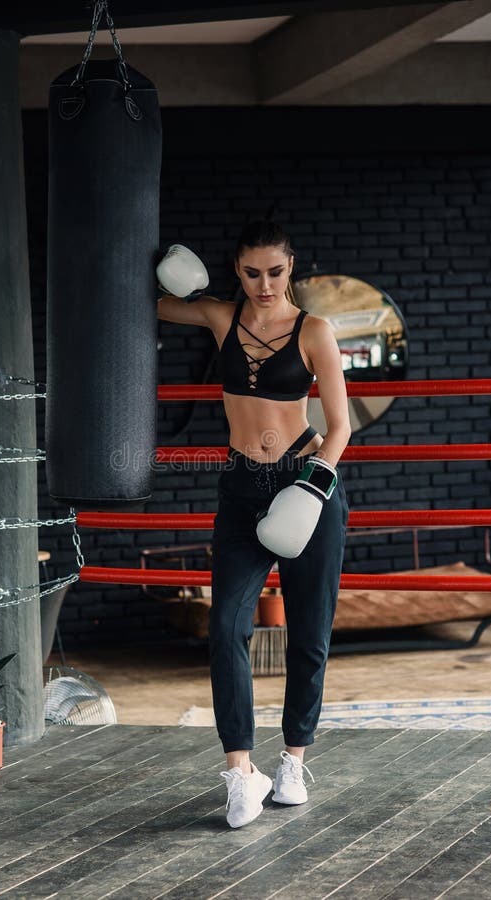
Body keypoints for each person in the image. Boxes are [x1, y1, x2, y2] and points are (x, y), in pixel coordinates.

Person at [157, 220, 351, 828]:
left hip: (305, 482)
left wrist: (315, 481)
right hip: (242, 488)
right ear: (235, 271)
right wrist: (168, 267)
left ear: (291, 267)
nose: (264, 285)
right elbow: (154, 303)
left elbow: (341, 425)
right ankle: (240, 771)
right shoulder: (221, 319)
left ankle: (293, 758)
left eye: (274, 271)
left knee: (309, 633)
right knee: (226, 625)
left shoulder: (315, 330)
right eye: (250, 273)